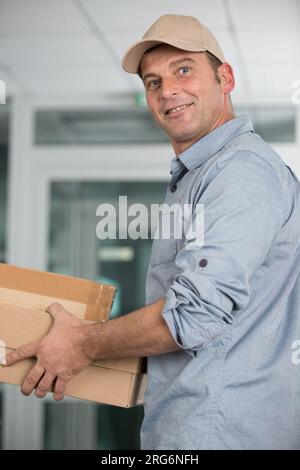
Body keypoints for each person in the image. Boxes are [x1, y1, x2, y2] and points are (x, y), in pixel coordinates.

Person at [4, 14, 300, 450]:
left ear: (226, 78)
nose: (168, 91)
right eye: (153, 81)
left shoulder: (239, 172)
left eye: (183, 69)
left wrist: (82, 345)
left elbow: (195, 314)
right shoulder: (200, 177)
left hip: (220, 432)